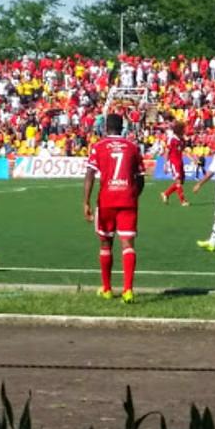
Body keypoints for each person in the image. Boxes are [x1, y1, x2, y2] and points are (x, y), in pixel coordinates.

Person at [83, 114, 145, 304]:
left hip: (107, 200)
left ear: (106, 128)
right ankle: (128, 290)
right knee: (127, 244)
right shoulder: (132, 147)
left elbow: (90, 174)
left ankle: (107, 289)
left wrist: (85, 201)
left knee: (105, 244)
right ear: (122, 128)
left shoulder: (99, 147)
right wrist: (134, 195)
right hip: (128, 200)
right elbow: (141, 177)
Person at [160, 121, 190, 206]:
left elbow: (183, 150)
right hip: (174, 162)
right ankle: (183, 201)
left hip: (180, 162)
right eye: (183, 130)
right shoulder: (171, 139)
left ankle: (165, 194)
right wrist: (165, 164)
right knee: (178, 182)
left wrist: (192, 158)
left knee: (181, 181)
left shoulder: (182, 140)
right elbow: (167, 151)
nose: (184, 131)